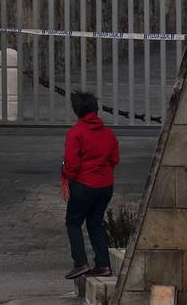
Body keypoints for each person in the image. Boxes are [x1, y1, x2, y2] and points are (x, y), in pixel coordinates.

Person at [62, 90, 120, 280]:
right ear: (96, 109)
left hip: (84, 184)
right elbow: (114, 159)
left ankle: (80, 263)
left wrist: (70, 180)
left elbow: (72, 163)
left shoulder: (76, 133)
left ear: (77, 111)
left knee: (73, 222)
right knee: (96, 223)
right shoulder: (109, 134)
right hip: (105, 186)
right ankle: (103, 264)